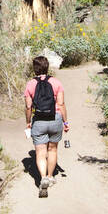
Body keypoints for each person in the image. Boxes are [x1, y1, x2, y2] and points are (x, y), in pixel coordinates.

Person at [24, 56, 69, 198]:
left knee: (40, 152)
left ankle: (42, 177)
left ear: (34, 68)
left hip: (39, 121)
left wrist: (28, 122)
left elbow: (28, 106)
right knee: (53, 149)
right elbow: (61, 104)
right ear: (47, 67)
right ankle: (50, 176)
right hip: (55, 119)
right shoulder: (56, 82)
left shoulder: (30, 84)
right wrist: (65, 122)